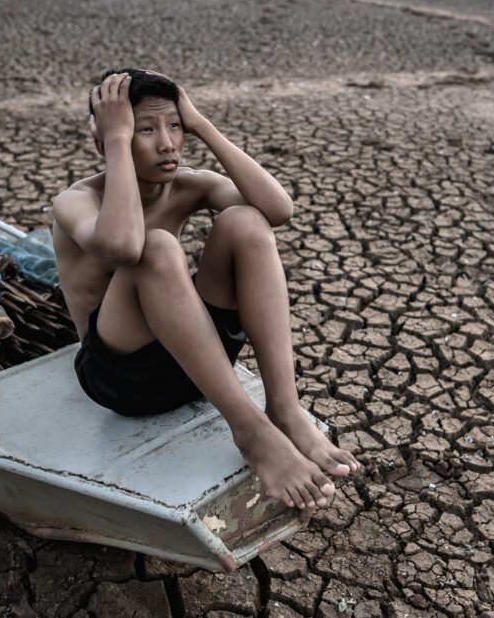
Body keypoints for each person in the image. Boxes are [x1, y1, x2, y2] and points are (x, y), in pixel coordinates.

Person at [51, 69, 359, 510]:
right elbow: (123, 246)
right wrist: (116, 139)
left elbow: (277, 209)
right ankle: (251, 431)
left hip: (195, 365)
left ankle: (284, 410)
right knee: (155, 248)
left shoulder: (189, 184)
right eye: (144, 129)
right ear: (105, 140)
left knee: (246, 221)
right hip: (123, 382)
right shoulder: (76, 201)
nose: (167, 143)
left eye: (174, 126)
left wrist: (202, 124)